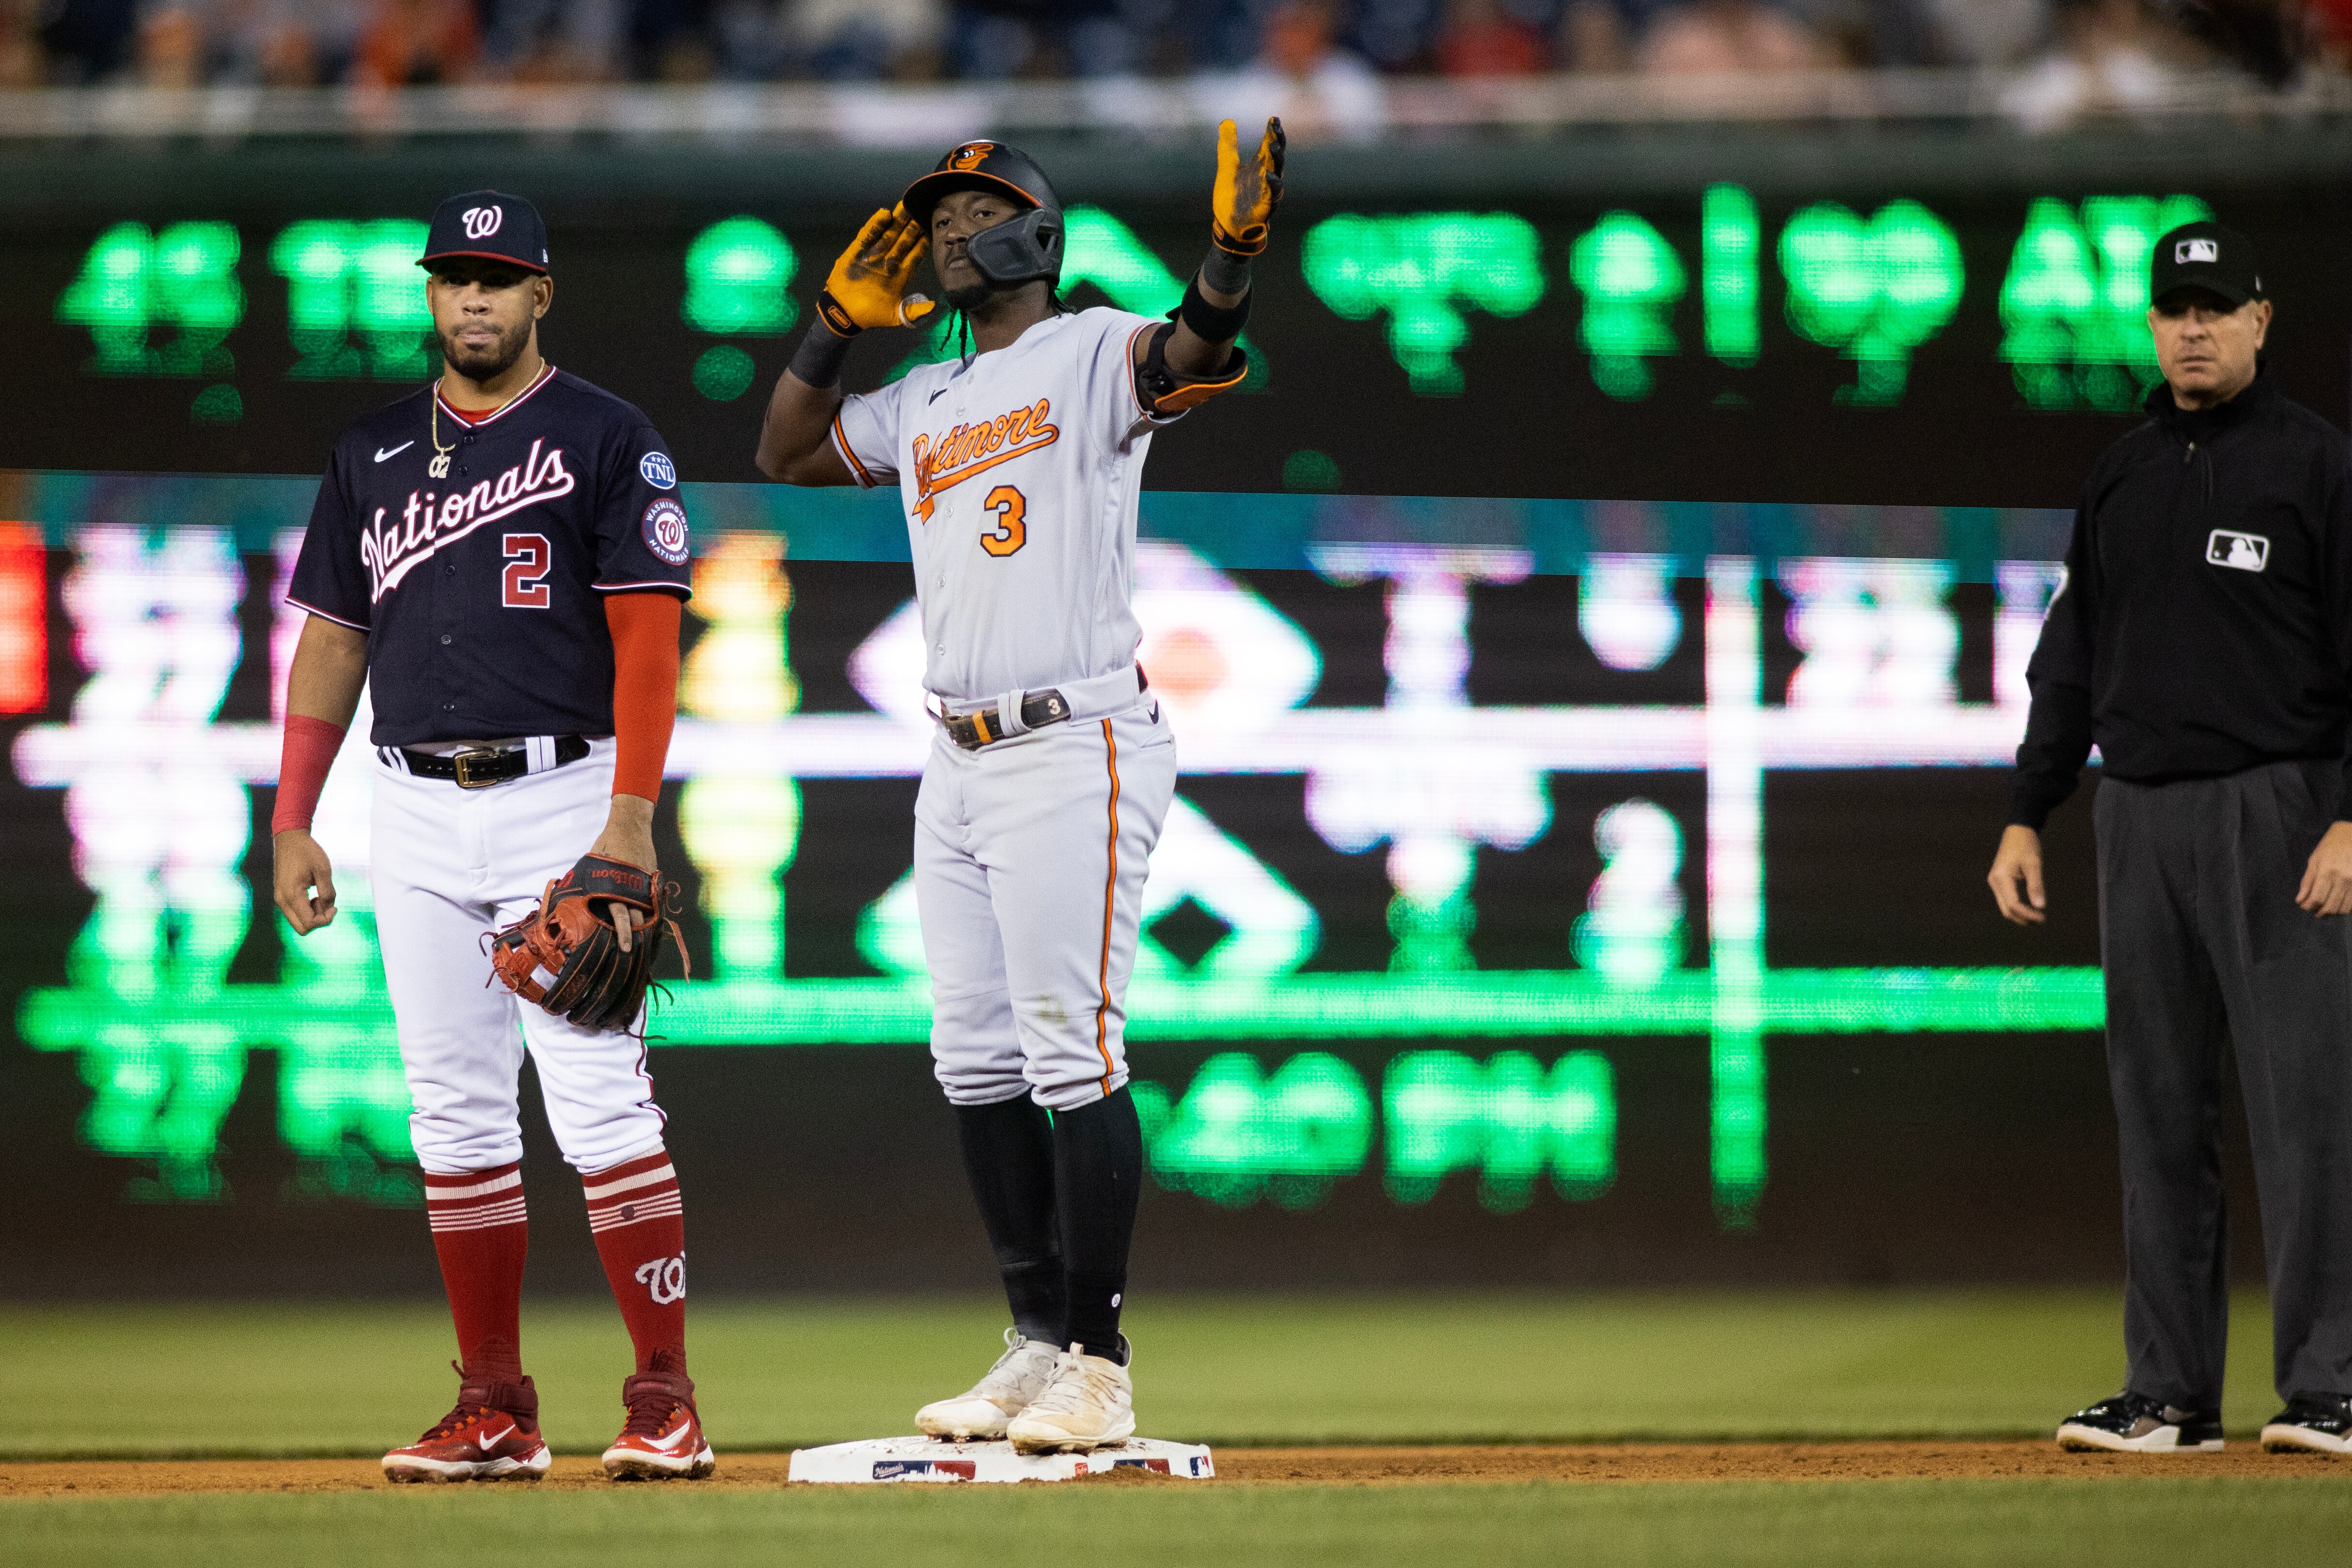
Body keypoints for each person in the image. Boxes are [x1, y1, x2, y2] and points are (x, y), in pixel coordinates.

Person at [751, 125, 1282, 1453]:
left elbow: (1192, 354)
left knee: (1070, 1049)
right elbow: (788, 451)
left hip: (1073, 737)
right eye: (932, 212)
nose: (941, 230)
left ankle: (1098, 1361)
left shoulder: (1091, 347)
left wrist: (1226, 262)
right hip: (956, 752)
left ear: (1033, 234)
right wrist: (829, 324)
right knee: (974, 1057)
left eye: (971, 208)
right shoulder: (924, 394)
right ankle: (1034, 1337)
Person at [271, 190, 713, 1482]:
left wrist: (628, 813)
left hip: (559, 792)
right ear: (429, 294)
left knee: (596, 1098)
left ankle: (663, 1399)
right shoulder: (368, 454)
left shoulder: (602, 434)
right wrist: (293, 816)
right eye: (452, 277)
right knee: (452, 1113)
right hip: (404, 797)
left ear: (539, 296)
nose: (471, 298)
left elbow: (646, 632)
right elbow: (331, 641)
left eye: (497, 277)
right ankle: (492, 1409)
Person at [1990, 220, 2352, 1457]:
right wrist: (2029, 807)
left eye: (2215, 307)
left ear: (2261, 321)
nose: (2192, 327)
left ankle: (2333, 1386)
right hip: (2137, 813)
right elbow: (2071, 657)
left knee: (2309, 1112)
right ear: (2151, 327)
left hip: (2285, 811)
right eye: (2173, 309)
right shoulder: (2125, 471)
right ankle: (2170, 1397)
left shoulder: (2318, 468)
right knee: (2156, 1113)